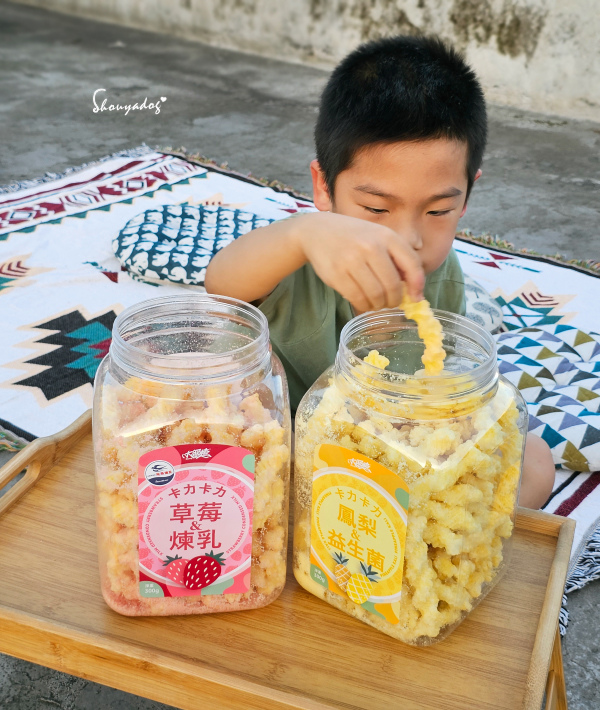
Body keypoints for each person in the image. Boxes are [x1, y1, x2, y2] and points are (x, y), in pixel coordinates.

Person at [205, 35, 555, 508]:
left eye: (436, 212)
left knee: (533, 463)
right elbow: (220, 283)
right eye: (375, 208)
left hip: (368, 453)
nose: (406, 239)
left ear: (466, 197)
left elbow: (421, 397)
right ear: (324, 188)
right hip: (267, 448)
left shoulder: (442, 280)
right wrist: (302, 234)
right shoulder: (294, 256)